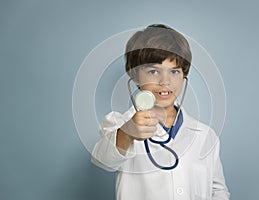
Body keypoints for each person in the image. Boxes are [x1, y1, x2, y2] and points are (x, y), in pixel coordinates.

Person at [91, 24, 230, 200]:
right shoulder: (119, 124)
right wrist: (127, 134)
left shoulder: (205, 135)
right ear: (135, 76)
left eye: (174, 71)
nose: (165, 81)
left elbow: (217, 190)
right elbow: (103, 160)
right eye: (153, 71)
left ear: (184, 75)